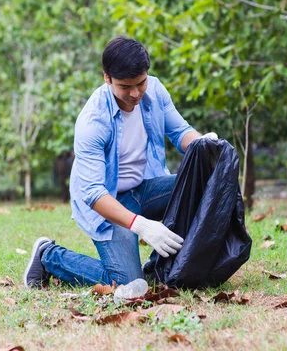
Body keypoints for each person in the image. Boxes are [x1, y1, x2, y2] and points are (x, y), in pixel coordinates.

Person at [23, 37, 217, 288]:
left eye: (141, 83)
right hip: (107, 202)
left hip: (144, 189)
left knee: (200, 184)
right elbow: (93, 193)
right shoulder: (93, 122)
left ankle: (168, 262)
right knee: (128, 282)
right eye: (126, 86)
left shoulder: (155, 91)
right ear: (107, 78)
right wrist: (142, 225)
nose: (135, 93)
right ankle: (48, 255)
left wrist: (204, 144)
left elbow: (180, 133)